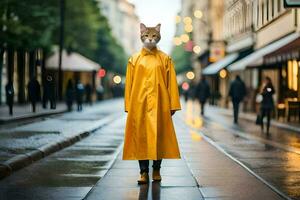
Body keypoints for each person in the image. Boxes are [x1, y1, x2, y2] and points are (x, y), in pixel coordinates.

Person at [123, 23, 181, 184]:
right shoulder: (134, 59)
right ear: (141, 35)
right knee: (140, 138)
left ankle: (156, 169)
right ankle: (143, 172)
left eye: (153, 36)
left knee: (159, 137)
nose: (150, 38)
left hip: (160, 104)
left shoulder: (165, 59)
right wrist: (128, 105)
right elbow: (129, 83)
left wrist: (172, 104)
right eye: (146, 35)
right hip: (139, 105)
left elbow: (171, 82)